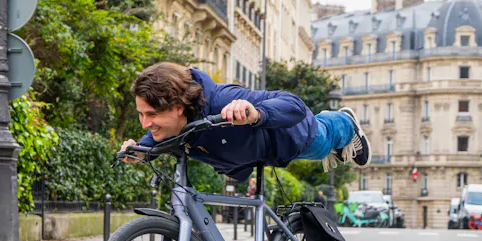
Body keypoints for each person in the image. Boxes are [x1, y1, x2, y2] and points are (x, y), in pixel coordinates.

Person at [120, 62, 371, 182]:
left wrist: (255, 113)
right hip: (248, 156)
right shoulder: (172, 122)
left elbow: (294, 104)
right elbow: (159, 134)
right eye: (141, 114)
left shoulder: (224, 99)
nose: (145, 123)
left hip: (290, 136)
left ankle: (344, 122)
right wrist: (141, 150)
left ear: (178, 106)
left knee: (323, 139)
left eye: (151, 114)